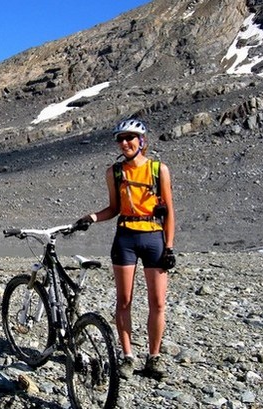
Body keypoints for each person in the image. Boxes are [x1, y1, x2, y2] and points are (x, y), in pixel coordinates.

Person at [74, 118, 176, 380]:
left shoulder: (158, 169)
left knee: (158, 302)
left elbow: (170, 211)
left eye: (130, 137)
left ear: (141, 141)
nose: (125, 143)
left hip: (154, 238)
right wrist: (93, 217)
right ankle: (128, 356)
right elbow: (114, 208)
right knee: (124, 301)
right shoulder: (115, 172)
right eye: (120, 139)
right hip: (125, 238)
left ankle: (154, 357)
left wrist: (169, 247)